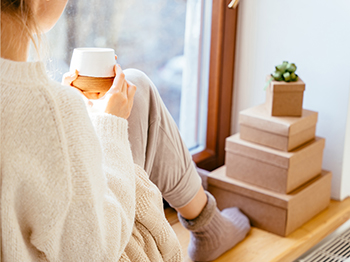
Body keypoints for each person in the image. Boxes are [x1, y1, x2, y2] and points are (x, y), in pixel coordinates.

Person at [0, 0, 250, 261]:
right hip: (107, 247)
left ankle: (207, 220)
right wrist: (111, 124)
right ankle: (207, 225)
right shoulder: (50, 110)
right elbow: (97, 249)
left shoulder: (42, 104)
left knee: (130, 88)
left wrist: (70, 117)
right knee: (135, 89)